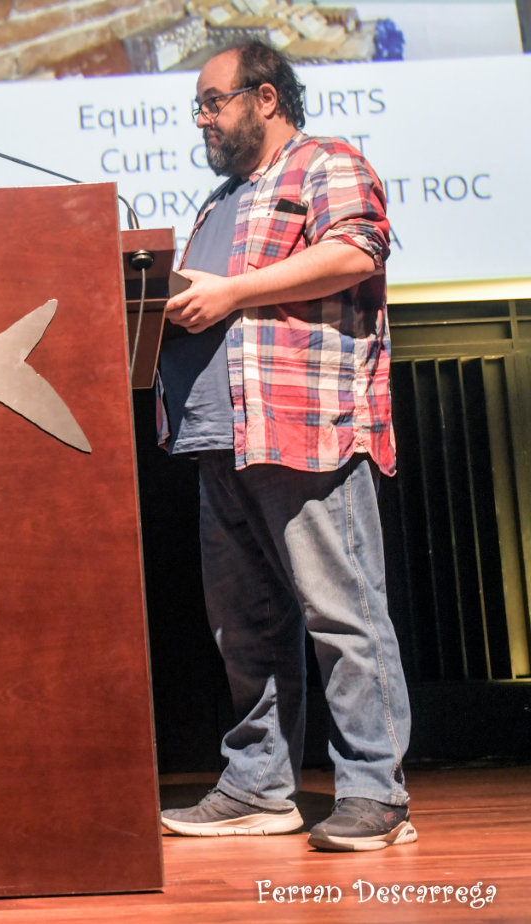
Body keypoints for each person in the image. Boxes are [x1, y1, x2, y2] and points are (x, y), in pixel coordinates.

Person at [156, 41, 416, 852]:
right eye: (199, 106)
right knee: (246, 627)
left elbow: (356, 250)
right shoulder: (219, 201)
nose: (202, 119)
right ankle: (259, 786)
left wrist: (232, 291)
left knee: (344, 614)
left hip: (304, 427)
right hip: (221, 436)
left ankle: (377, 793)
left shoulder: (323, 162)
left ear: (264, 98)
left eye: (213, 102)